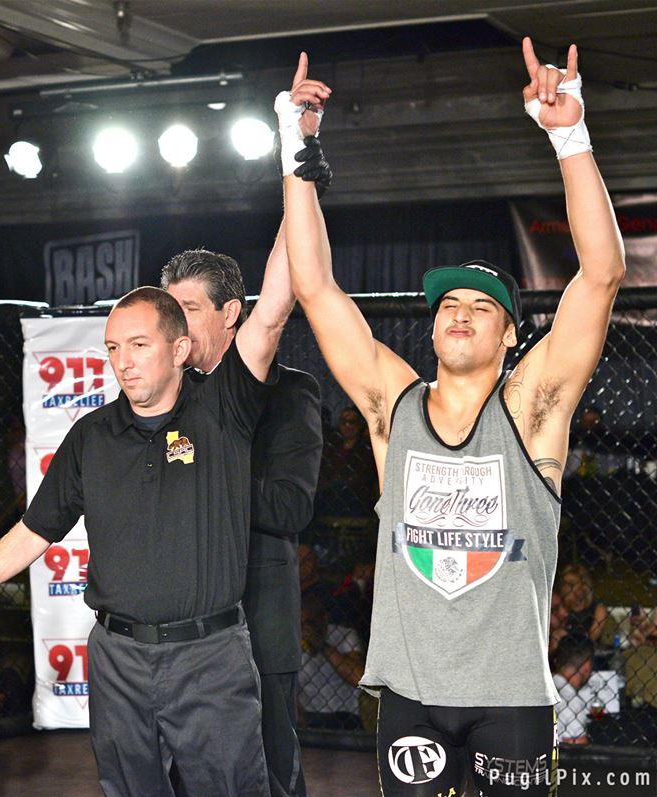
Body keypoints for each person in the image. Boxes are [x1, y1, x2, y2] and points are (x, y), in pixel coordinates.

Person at [283, 38, 624, 796]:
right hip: (412, 692)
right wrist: (294, 148)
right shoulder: (392, 405)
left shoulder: (532, 408)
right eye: (448, 305)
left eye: (482, 306)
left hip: (512, 696)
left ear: (510, 335)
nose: (460, 313)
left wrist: (570, 136)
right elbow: (315, 288)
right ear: (433, 328)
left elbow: (601, 276)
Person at [0, 277, 294, 796]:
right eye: (114, 348)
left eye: (139, 345)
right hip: (117, 660)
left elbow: (273, 311)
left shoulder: (222, 410)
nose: (124, 361)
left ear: (180, 350)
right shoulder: (91, 435)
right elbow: (35, 530)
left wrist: (297, 216)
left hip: (209, 658)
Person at [160, 238, 323, 795]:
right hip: (180, 624)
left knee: (271, 772)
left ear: (230, 313)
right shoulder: (165, 399)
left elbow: (292, 506)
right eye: (169, 310)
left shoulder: (290, 392)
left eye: (188, 309)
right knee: (185, 774)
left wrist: (213, 476)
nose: (174, 324)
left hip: (260, 618)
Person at [298, 592, 364, 731]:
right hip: (308, 715)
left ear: (323, 618)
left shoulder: (344, 635)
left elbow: (357, 678)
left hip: (344, 715)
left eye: (310, 623)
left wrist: (322, 645)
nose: (306, 630)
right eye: (301, 625)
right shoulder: (294, 640)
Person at [552, 635, 618, 744]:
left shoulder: (543, 687)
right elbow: (576, 745)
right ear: (587, 666)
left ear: (556, 661)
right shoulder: (571, 703)